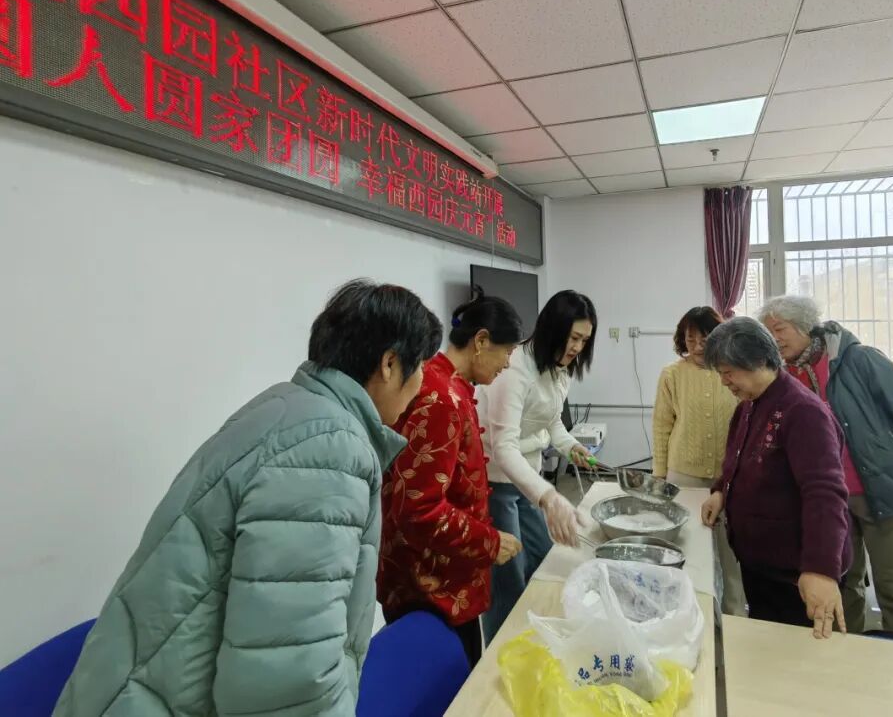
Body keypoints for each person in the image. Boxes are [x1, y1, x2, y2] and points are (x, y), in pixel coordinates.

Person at [53, 280, 443, 717]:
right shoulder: (330, 450)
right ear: (389, 364)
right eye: (421, 366)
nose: (422, 383)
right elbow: (288, 681)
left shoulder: (287, 407)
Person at [758, 296, 893, 645]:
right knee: (842, 586)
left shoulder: (858, 360)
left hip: (886, 490)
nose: (774, 338)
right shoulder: (782, 377)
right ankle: (848, 659)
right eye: (768, 332)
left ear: (804, 325)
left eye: (780, 329)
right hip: (830, 502)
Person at [378, 293, 526, 667]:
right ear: (481, 341)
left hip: (440, 579)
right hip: (430, 588)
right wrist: (489, 542)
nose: (508, 364)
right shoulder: (441, 397)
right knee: (449, 685)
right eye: (507, 352)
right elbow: (420, 509)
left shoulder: (446, 385)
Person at [700, 317, 851, 639]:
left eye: (728, 372)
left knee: (797, 658)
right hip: (762, 563)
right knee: (767, 646)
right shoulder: (749, 405)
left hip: (797, 573)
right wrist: (720, 492)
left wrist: (821, 569)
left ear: (757, 360)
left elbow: (825, 493)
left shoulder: (802, 411)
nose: (724, 382)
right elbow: (736, 460)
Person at [479, 290, 597, 640]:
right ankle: (501, 651)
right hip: (496, 481)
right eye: (573, 337)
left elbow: (550, 420)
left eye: (584, 340)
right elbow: (504, 448)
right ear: (553, 328)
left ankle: (534, 636)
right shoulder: (515, 368)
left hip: (528, 480)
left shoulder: (560, 368)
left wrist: (571, 446)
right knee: (508, 576)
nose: (577, 348)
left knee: (542, 557)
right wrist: (549, 497)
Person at [653, 305, 746, 616]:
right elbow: (662, 425)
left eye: (704, 339)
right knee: (689, 546)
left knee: (730, 551)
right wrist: (660, 473)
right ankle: (689, 614)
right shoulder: (672, 374)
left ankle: (733, 615)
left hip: (728, 476)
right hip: (684, 474)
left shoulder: (733, 372)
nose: (696, 346)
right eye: (690, 339)